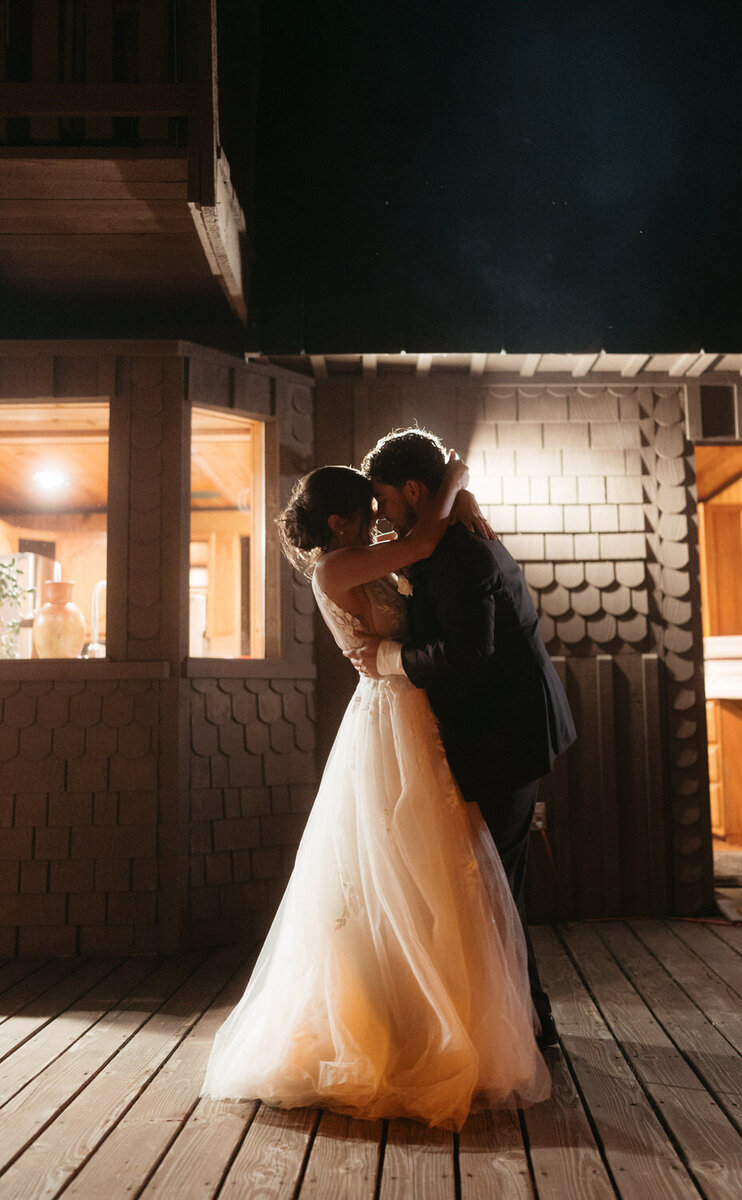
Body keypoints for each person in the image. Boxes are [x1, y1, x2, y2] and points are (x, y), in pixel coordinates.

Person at [201, 454, 551, 1130]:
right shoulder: (335, 568)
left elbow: (419, 544)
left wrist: (463, 502)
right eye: (369, 510)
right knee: (400, 864)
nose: (380, 518)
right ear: (340, 521)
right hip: (391, 712)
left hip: (411, 710)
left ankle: (440, 1016)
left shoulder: (366, 551)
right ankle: (397, 1025)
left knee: (433, 869)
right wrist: (453, 482)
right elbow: (421, 543)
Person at [349, 427, 577, 1048]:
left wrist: (388, 658)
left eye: (386, 502)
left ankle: (523, 1030)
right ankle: (528, 1022)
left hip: (504, 733)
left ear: (415, 490)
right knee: (496, 884)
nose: (380, 516)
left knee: (493, 885)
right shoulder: (443, 541)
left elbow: (470, 651)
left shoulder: (459, 552)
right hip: (504, 727)